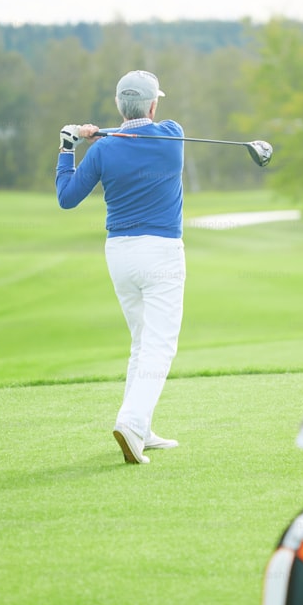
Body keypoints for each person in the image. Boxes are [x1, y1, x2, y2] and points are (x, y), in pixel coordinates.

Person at [55, 70, 185, 465]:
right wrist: (103, 133)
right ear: (153, 104)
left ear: (118, 105)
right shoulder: (173, 135)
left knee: (142, 342)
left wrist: (70, 146)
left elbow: (67, 197)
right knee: (159, 345)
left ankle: (141, 429)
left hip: (120, 255)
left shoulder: (102, 151)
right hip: (161, 252)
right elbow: (140, 130)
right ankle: (130, 422)